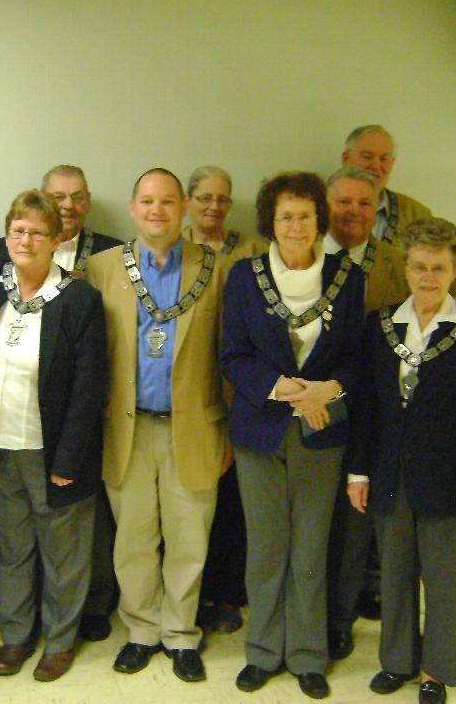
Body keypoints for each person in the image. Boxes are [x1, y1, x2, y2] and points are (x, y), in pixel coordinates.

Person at [220, 172, 364, 700]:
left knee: (310, 548)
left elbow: (355, 357)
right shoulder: (245, 276)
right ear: (270, 223)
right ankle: (262, 651)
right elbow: (232, 355)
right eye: (286, 216)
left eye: (305, 215)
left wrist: (326, 390)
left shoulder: (347, 277)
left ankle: (307, 655)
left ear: (319, 220)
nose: (296, 225)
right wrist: (284, 390)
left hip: (324, 431)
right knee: (266, 548)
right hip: (260, 431)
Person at [347, 217, 456, 704]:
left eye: (438, 268)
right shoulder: (382, 325)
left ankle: (437, 669)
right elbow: (368, 405)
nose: (428, 276)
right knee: (393, 574)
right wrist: (359, 469)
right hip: (391, 473)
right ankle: (397, 661)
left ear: (455, 270)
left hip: (452, 481)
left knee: (447, 581)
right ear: (406, 267)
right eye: (419, 267)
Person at [86, 168, 230, 684]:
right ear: (131, 208)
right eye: (147, 201)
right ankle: (142, 630)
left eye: (168, 202)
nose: (157, 211)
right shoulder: (102, 268)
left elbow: (227, 355)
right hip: (125, 428)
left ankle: (180, 633)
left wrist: (230, 432)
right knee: (134, 539)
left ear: (184, 208)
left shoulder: (217, 269)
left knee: (190, 537)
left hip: (194, 427)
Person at [0, 190, 107, 682]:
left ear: (58, 239)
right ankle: (15, 635)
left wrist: (68, 459)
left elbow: (89, 388)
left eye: (37, 232)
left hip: (53, 451)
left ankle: (60, 640)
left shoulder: (79, 300)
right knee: (12, 549)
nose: (25, 239)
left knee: (63, 553)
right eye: (17, 229)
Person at [322, 165, 411, 660]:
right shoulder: (304, 256)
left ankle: (341, 619)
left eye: (363, 204)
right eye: (343, 202)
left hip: (372, 415)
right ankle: (308, 613)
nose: (353, 212)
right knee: (314, 525)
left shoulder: (396, 263)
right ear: (326, 205)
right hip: (311, 411)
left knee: (355, 527)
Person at [182, 165, 265, 636]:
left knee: (233, 501)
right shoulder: (172, 251)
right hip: (189, 392)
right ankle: (192, 595)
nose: (213, 207)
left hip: (240, 391)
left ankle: (228, 594)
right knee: (191, 502)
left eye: (222, 199)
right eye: (205, 198)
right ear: (190, 200)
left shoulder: (252, 251)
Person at [0, 164, 122, 276]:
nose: (69, 205)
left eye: (77, 197)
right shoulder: (3, 250)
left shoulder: (113, 252)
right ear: (42, 201)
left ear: (88, 201)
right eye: (58, 197)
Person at [341, 125, 432, 244]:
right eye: (367, 157)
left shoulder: (417, 216)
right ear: (345, 159)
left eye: (384, 159)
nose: (376, 166)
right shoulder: (319, 206)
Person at [183, 165, 268, 258]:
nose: (215, 207)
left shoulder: (254, 250)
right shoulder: (171, 246)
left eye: (222, 200)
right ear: (187, 202)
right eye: (206, 198)